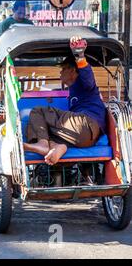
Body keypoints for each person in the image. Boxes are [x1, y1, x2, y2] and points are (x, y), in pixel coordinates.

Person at [24, 36, 106, 183]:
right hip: (86, 137)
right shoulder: (73, 92)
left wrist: (80, 56)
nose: (60, 72)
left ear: (73, 71)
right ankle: (58, 147)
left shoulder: (85, 84)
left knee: (37, 111)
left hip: (86, 124)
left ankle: (43, 144)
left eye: (63, 69)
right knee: (43, 129)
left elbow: (87, 77)